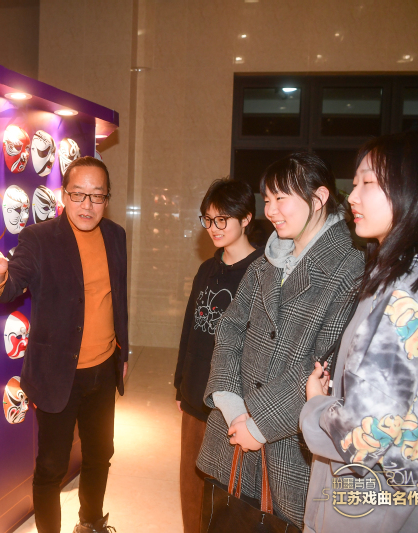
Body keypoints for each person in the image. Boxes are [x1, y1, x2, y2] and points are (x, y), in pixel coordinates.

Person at [302, 131, 418, 532]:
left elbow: (363, 436)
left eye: (368, 182)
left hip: (374, 507)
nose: (352, 197)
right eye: (355, 183)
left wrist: (316, 405)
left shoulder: (405, 292)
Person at [197, 153, 364, 529]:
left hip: (290, 438)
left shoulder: (350, 267)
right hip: (235, 426)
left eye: (281, 198)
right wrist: (231, 404)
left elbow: (325, 364)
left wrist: (259, 423)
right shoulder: (269, 257)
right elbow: (230, 328)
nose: (270, 210)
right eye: (267, 199)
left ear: (319, 198)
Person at [0, 156, 127, 533]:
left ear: (107, 199)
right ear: (63, 195)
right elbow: (11, 284)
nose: (87, 205)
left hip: (103, 370)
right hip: (57, 374)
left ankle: (90, 522)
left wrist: (122, 351)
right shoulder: (39, 238)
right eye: (78, 194)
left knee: (100, 455)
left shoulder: (115, 236)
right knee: (51, 467)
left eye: (97, 195)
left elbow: (117, 299)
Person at [174, 178, 262, 533]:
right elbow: (190, 329)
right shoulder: (207, 269)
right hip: (195, 395)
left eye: (222, 219)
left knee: (226, 493)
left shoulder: (262, 273)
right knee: (190, 485)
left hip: (232, 405)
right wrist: (180, 384)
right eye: (208, 219)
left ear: (246, 218)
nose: (213, 227)